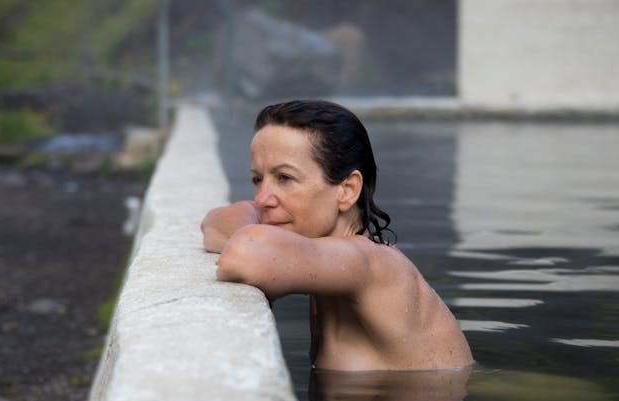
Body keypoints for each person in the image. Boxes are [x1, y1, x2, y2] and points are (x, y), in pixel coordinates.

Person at [201, 99, 473, 371]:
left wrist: (259, 238)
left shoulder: (372, 264)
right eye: (257, 180)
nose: (261, 199)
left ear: (347, 190)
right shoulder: (326, 261)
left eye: (284, 178)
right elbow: (213, 223)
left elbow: (245, 254)